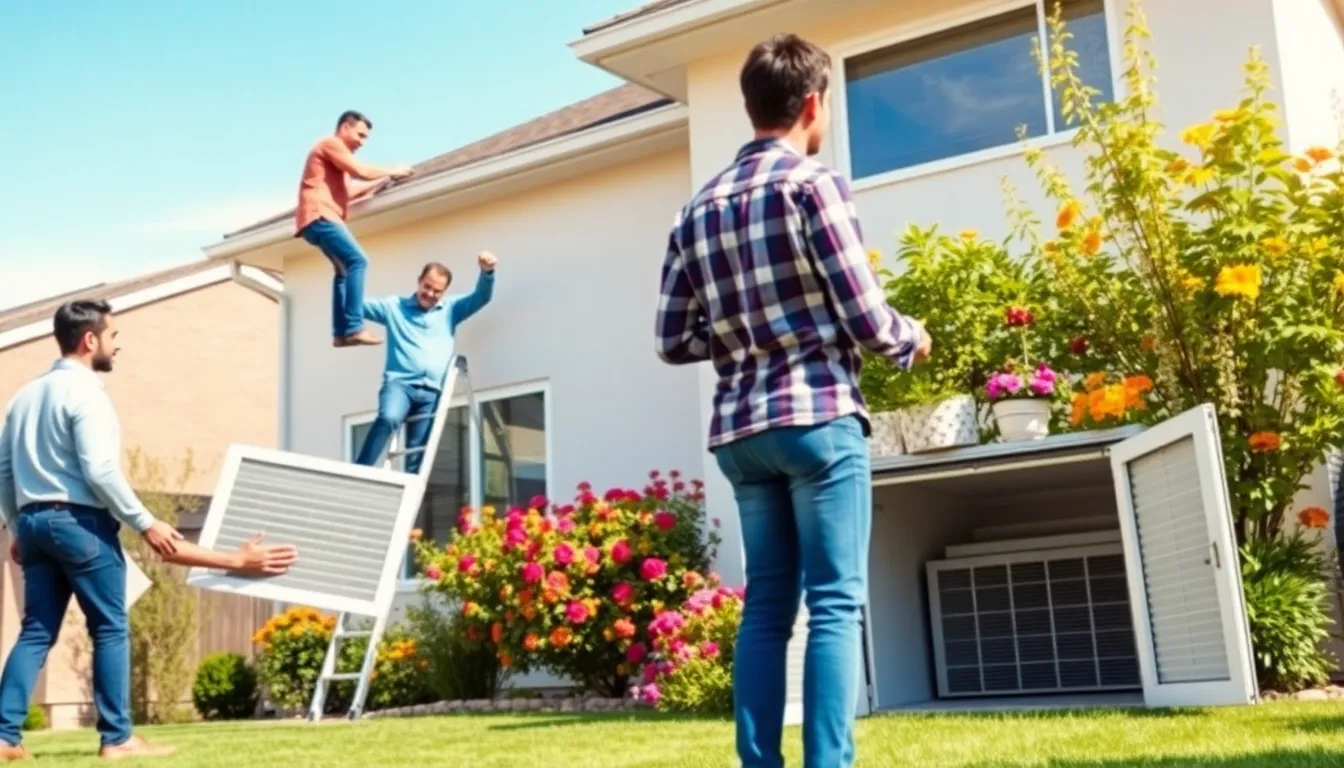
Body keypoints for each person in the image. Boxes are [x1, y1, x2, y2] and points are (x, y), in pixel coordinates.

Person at [653, 34, 931, 768]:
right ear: (813, 103)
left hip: (742, 433)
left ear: (752, 106)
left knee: (768, 606)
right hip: (816, 418)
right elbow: (868, 319)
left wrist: (744, 338)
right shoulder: (815, 185)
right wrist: (912, 338)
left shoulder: (696, 209)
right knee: (835, 603)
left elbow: (672, 340)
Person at [0, 300, 300, 762]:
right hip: (79, 522)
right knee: (110, 627)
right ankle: (117, 739)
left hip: (35, 523)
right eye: (113, 336)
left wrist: (19, 526)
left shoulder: (23, 397)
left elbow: (3, 471)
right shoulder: (87, 393)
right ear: (90, 340)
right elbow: (100, 470)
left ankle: (4, 737)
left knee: (36, 630)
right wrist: (144, 520)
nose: (118, 345)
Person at [354, 252, 497, 474]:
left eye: (437, 291)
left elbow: (481, 297)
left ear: (444, 292)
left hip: (431, 394)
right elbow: (356, 305)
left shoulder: (451, 309)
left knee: (417, 453)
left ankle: (409, 498)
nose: (430, 294)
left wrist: (487, 273)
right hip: (400, 385)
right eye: (427, 287)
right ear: (419, 281)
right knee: (389, 417)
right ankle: (360, 470)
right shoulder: (395, 307)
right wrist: (344, 280)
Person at [296, 109, 416, 349]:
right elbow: (360, 171)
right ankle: (354, 327)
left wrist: (381, 183)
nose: (362, 142)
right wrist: (393, 170)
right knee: (358, 261)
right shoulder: (330, 143)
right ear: (345, 127)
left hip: (312, 221)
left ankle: (340, 334)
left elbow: (349, 191)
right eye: (360, 135)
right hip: (321, 215)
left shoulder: (335, 162)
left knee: (342, 272)